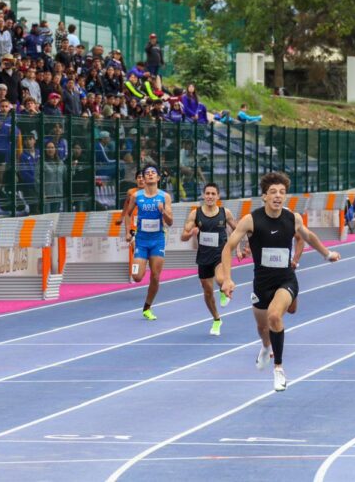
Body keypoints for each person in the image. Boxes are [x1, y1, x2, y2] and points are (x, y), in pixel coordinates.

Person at [221, 172, 341, 391]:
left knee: (274, 316)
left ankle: (278, 369)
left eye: (282, 193)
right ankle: (266, 346)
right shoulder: (251, 220)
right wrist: (228, 278)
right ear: (264, 196)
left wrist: (327, 254)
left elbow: (308, 236)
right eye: (273, 192)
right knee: (262, 326)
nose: (278, 196)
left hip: (286, 279)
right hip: (261, 284)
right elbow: (228, 248)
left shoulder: (292, 218)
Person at [181, 183, 242, 336]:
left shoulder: (225, 212)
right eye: (207, 193)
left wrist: (239, 248)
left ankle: (223, 289)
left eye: (213, 194)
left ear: (218, 196)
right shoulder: (195, 214)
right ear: (203, 195)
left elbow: (238, 230)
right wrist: (192, 233)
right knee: (207, 292)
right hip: (203, 256)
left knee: (221, 278)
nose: (209, 196)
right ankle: (216, 319)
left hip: (221, 254)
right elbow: (183, 236)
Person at [125, 165, 173, 321]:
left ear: (158, 178)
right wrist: (127, 232)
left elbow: (170, 222)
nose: (150, 175)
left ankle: (147, 307)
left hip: (158, 240)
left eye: (153, 173)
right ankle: (136, 252)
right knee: (136, 276)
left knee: (155, 277)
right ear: (143, 179)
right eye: (147, 173)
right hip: (141, 240)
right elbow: (127, 214)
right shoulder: (136, 196)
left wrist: (163, 211)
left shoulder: (164, 197)